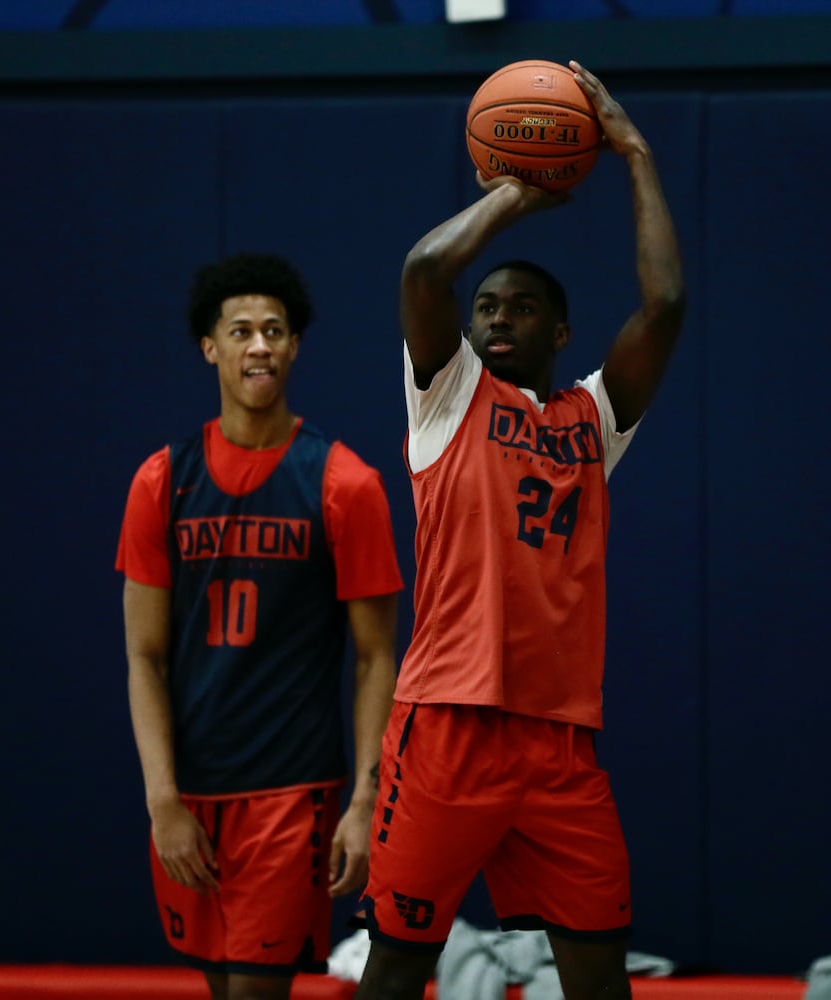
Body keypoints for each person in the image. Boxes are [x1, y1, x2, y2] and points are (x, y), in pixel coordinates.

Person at [352, 61, 684, 1000]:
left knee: (598, 981)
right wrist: (515, 191)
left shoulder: (593, 420)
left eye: (520, 308)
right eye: (487, 307)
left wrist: (634, 154)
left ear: (561, 331)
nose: (497, 319)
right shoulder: (447, 396)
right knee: (397, 970)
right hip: (447, 726)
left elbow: (664, 307)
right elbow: (426, 270)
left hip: (558, 742)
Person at [117, 253, 404, 1000]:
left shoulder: (345, 483)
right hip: (193, 790)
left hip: (291, 789)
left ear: (296, 346)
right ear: (208, 346)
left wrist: (364, 802)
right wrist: (163, 802)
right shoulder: (161, 481)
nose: (260, 346)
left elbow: (378, 657)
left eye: (274, 330)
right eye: (240, 330)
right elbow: (143, 656)